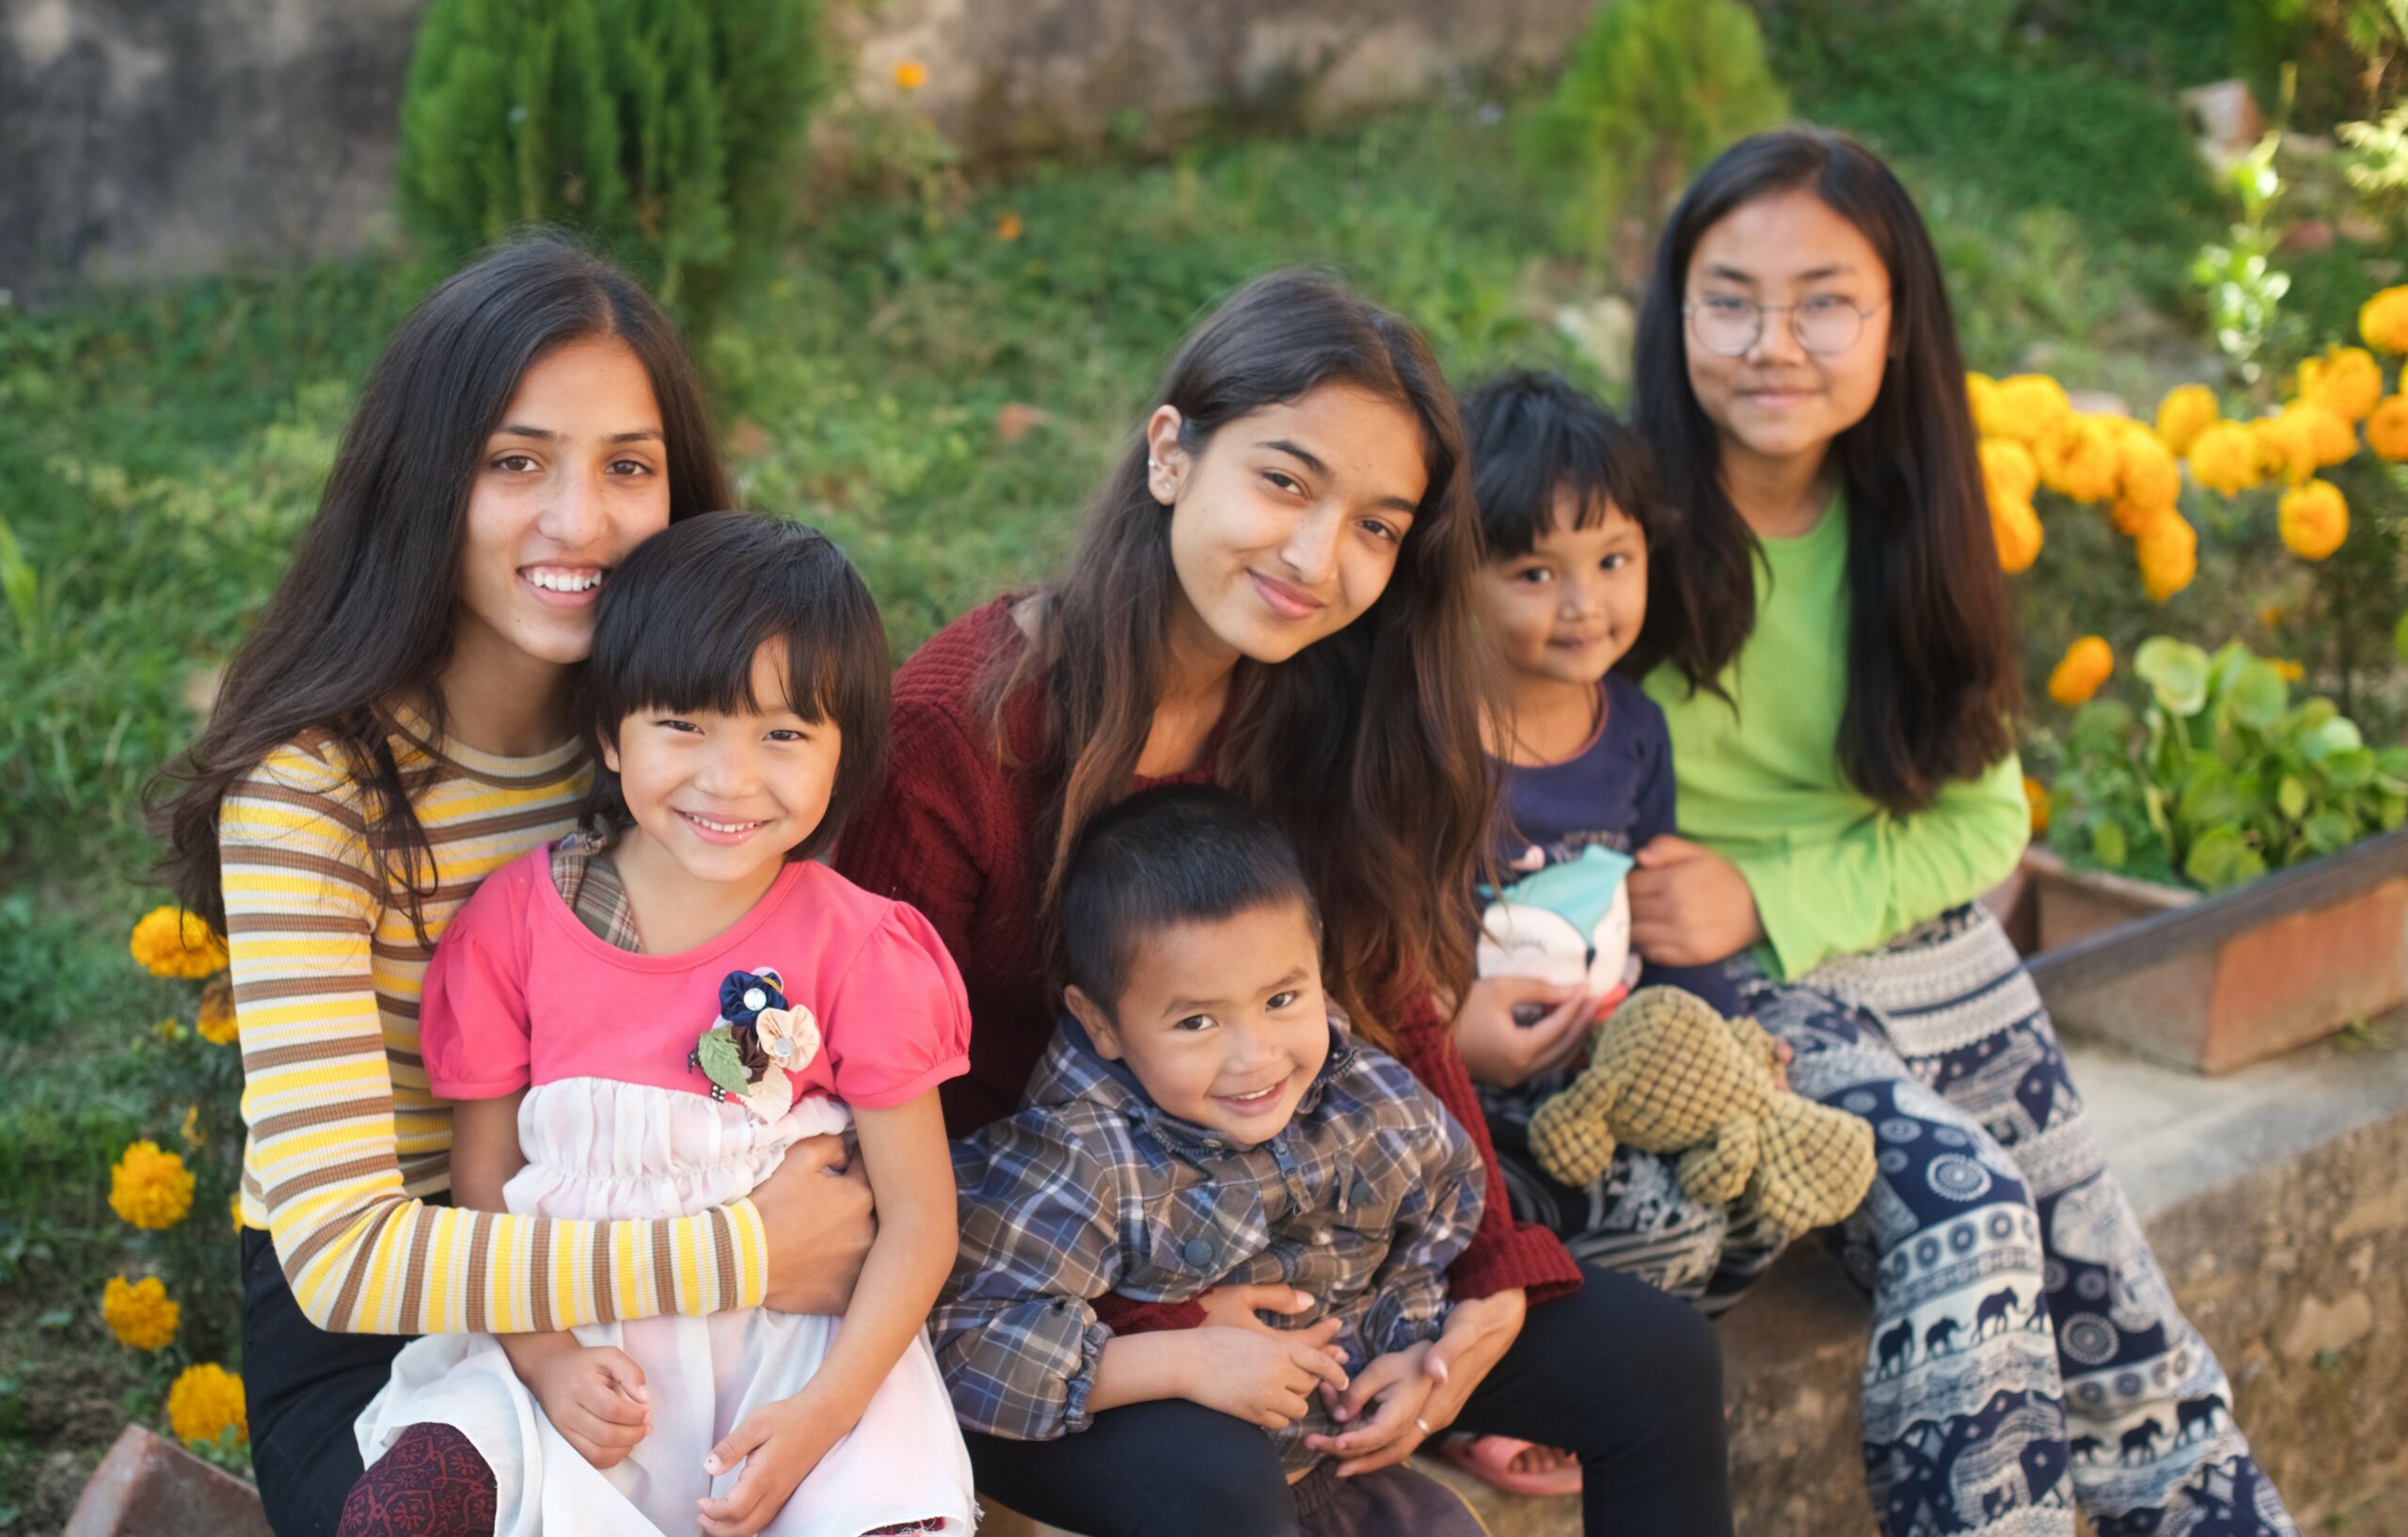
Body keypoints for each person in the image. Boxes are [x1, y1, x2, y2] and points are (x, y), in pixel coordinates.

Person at [838, 267, 1733, 1537]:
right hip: (1037, 1296)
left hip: (1301, 1254)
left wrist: (1487, 1273)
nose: (1321, 558)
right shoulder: (963, 731)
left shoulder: (1320, 703)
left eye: (1377, 524)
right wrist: (1158, 1328)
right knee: (1220, 1490)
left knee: (1654, 1358)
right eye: (1286, 482)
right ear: (1170, 455)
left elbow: (1391, 998)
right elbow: (870, 1109)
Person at [1623, 126, 2295, 1534]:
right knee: (1969, 1211)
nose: (1773, 341)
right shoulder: (1612, 525)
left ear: (1894, 320)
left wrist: (1770, 887)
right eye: (1729, 296)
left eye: (1826, 301)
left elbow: (1984, 810)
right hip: (1704, 984)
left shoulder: (1911, 518)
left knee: (2102, 1268)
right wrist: (1723, 915)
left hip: (1888, 944)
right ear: (1676, 308)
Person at [152, 237, 876, 1537]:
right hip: (395, 1321)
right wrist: (748, 1249)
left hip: (673, 1260)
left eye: (629, 467)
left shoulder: (698, 759)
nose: (581, 522)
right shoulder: (316, 792)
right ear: (425, 480)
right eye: (515, 462)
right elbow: (340, 1252)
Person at [350, 513, 975, 1537]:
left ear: (843, 749)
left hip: (796, 1367)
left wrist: (826, 1413)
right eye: (683, 723)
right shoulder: (515, 923)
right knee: (408, 1507)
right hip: (560, 1346)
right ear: (609, 731)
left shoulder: (859, 947)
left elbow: (918, 1220)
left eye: (782, 733)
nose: (729, 778)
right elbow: (484, 1184)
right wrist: (545, 1357)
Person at [938, 784, 1489, 1535]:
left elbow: (1444, 1200)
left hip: (1340, 1457)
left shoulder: (1363, 1094)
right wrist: (1185, 1360)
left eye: (1281, 999)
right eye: (1196, 1021)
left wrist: (1417, 1342)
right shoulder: (1082, 1158)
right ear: (1100, 1024)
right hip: (1200, 1488)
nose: (1254, 1058)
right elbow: (968, 1344)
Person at [1438, 372, 1786, 1494]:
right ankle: (1501, 1394)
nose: (1583, 603)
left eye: (1611, 560)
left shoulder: (1630, 728)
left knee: (1760, 1195)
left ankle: (1622, 1352)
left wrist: (1731, 1043)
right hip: (1479, 1097)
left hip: (1615, 1067)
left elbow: (1662, 905)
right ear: (1460, 576)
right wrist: (1454, 1033)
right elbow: (1385, 946)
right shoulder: (1436, 743)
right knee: (1607, 1218)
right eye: (1534, 572)